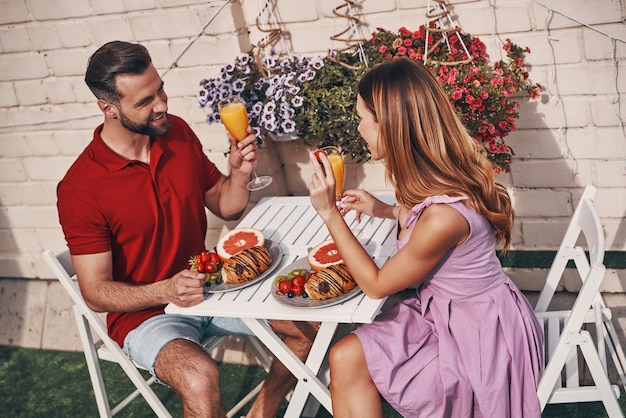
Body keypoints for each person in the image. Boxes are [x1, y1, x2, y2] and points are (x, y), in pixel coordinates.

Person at [57, 40, 317, 418]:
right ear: (108, 109)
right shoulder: (80, 188)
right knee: (199, 376)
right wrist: (164, 289)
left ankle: (262, 412)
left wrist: (240, 173)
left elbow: (225, 204)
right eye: (144, 101)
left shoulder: (174, 132)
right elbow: (95, 293)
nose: (161, 104)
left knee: (311, 321)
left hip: (213, 285)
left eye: (160, 89)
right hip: (146, 314)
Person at [308, 57, 544, 417]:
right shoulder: (434, 180)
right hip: (448, 313)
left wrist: (328, 212)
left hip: (480, 339)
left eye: (363, 119)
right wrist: (386, 210)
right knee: (345, 355)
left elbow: (375, 284)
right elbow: (430, 228)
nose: (359, 129)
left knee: (354, 358)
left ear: (389, 126)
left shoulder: (442, 218)